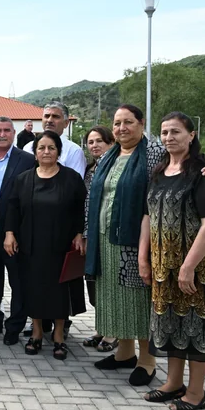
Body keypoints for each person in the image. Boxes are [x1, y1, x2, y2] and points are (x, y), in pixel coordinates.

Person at [85, 104, 205, 386]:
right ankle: (124, 353)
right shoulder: (109, 156)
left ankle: (147, 361)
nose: (122, 128)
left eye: (128, 122)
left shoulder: (154, 152)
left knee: (139, 301)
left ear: (141, 124)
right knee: (114, 299)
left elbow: (190, 158)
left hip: (136, 240)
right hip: (106, 240)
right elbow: (93, 196)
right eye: (117, 123)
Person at [141, 113, 205, 410]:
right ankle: (173, 383)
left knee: (197, 327)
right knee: (168, 324)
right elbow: (148, 215)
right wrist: (143, 257)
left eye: (176, 131)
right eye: (164, 132)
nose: (169, 137)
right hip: (163, 266)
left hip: (198, 267)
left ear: (191, 135)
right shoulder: (159, 171)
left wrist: (188, 267)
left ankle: (196, 392)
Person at [4, 131, 86, 361]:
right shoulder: (23, 179)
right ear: (35, 152)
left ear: (58, 151)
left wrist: (80, 234)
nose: (46, 152)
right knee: (33, 289)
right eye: (41, 148)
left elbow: (81, 208)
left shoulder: (71, 178)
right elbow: (13, 208)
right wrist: (9, 234)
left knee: (60, 292)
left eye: (51, 148)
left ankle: (59, 335)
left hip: (62, 244)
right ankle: (37, 332)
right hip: (30, 246)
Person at [0, 117, 35, 345]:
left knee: (18, 282)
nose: (2, 135)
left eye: (6, 130)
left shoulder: (27, 160)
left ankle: (14, 327)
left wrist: (14, 231)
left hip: (15, 233)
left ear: (13, 133)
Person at [81, 126, 118, 353]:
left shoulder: (115, 166)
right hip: (91, 234)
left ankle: (113, 332)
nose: (94, 145)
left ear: (111, 143)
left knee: (110, 284)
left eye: (99, 141)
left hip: (109, 234)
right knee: (94, 283)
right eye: (91, 142)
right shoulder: (90, 168)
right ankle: (101, 328)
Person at [22, 102, 86, 177]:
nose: (49, 120)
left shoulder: (74, 151)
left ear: (66, 123)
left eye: (55, 117)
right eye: (47, 116)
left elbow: (75, 181)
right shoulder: (28, 148)